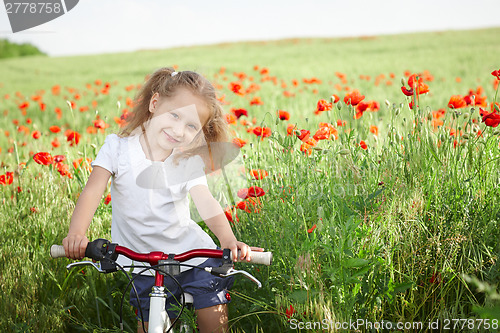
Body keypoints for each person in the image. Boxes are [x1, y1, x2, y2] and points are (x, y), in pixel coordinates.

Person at [63, 67, 261, 333]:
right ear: (155, 103)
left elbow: (205, 202)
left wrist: (228, 241)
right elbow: (92, 191)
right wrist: (77, 234)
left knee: (212, 318)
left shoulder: (186, 160)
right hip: (141, 264)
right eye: (175, 115)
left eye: (191, 126)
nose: (179, 130)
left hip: (193, 258)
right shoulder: (117, 149)